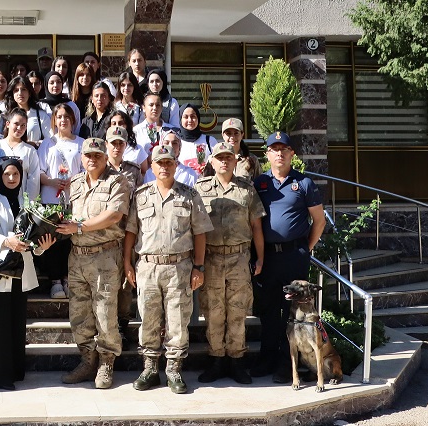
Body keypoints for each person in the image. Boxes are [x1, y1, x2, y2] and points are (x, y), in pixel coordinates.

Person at [124, 144, 212, 394]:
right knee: (148, 320)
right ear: (151, 167)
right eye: (159, 163)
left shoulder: (189, 195)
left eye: (168, 162)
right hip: (148, 267)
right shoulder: (140, 195)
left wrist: (199, 266)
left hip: (179, 268)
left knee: (177, 321)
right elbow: (131, 231)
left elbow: (200, 233)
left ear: (176, 165)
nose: (164, 167)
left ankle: (173, 370)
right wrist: (127, 263)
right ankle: (150, 369)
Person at [249, 131, 326, 384]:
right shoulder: (260, 183)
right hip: (267, 257)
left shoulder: (304, 184)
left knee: (293, 313)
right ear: (267, 154)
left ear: (292, 153)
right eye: (274, 149)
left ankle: (286, 363)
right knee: (268, 310)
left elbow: (319, 220)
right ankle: (266, 358)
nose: (279, 153)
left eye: (284, 149)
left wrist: (306, 247)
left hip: (294, 256)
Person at [55, 137, 130, 389]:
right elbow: (65, 214)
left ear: (105, 157)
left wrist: (79, 227)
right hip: (77, 256)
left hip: (105, 255)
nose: (92, 159)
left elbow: (114, 215)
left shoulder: (117, 181)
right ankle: (87, 360)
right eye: (88, 155)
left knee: (105, 312)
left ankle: (106, 363)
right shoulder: (75, 182)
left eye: (97, 155)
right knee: (79, 312)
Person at [0, 157, 56, 390]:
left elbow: (33, 238)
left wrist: (43, 246)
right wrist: (6, 241)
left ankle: (16, 370)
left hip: (20, 272)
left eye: (16, 175)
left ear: (21, 177)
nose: (11, 178)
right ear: (0, 176)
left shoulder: (27, 201)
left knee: (17, 324)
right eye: (7, 174)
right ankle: (0, 377)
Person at [194, 143, 265, 385]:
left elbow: (256, 226)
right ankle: (216, 360)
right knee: (213, 312)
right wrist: (197, 263)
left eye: (228, 158)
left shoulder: (247, 189)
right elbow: (194, 228)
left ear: (235, 161)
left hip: (239, 258)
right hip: (211, 258)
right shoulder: (200, 189)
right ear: (211, 162)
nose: (224, 162)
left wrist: (260, 258)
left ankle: (237, 360)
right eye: (219, 158)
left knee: (237, 312)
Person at [36, 103, 84, 299]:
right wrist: (52, 181)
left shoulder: (81, 143)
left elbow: (87, 170)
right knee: (53, 240)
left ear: (72, 120)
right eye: (59, 117)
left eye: (66, 116)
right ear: (54, 120)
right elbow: (39, 171)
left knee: (70, 240)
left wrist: (74, 181)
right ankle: (55, 281)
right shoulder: (48, 144)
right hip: (50, 197)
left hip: (74, 198)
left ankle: (67, 278)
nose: (63, 120)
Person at [105, 126, 143, 349]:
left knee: (126, 284)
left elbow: (138, 201)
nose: (117, 147)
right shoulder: (100, 167)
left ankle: (122, 325)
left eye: (121, 143)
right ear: (107, 144)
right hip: (105, 233)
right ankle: (107, 328)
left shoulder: (133, 170)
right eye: (113, 143)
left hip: (127, 231)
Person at [0, 108, 42, 201]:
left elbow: (33, 180)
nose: (19, 128)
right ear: (7, 124)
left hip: (21, 202)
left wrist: (29, 204)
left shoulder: (30, 150)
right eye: (16, 124)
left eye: (23, 125)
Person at [3, 75, 50, 147]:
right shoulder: (5, 115)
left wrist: (35, 143)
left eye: (23, 89)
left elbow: (50, 139)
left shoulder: (41, 115)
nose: (20, 93)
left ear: (29, 92)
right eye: (16, 90)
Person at [176, 103, 218, 182]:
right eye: (185, 117)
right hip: (183, 188)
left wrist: (209, 167)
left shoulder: (209, 141)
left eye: (193, 116)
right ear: (180, 119)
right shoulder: (176, 142)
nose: (190, 120)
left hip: (207, 187)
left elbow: (219, 163)